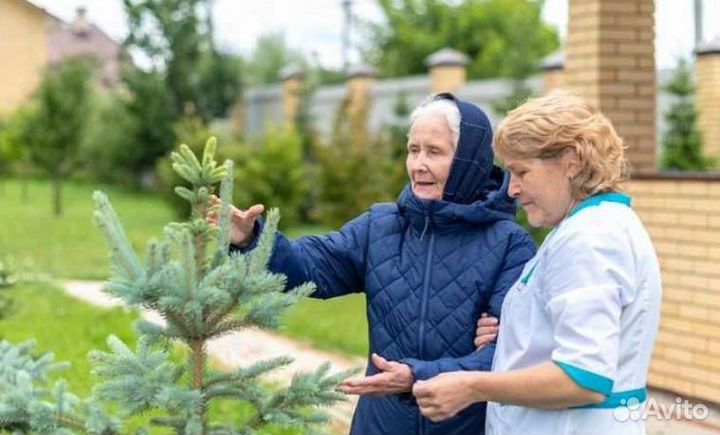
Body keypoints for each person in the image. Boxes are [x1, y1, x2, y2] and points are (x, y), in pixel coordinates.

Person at [209, 93, 536, 435]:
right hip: (379, 425)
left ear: (469, 162)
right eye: (413, 150)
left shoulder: (510, 245)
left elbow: (506, 356)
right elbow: (310, 267)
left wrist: (415, 377)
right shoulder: (380, 227)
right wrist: (251, 240)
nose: (418, 164)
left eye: (434, 152)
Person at [412, 91, 663, 435]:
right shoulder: (592, 227)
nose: (511, 189)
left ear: (571, 162)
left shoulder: (588, 240)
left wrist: (473, 386)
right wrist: (514, 330)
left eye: (521, 172)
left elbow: (583, 377)